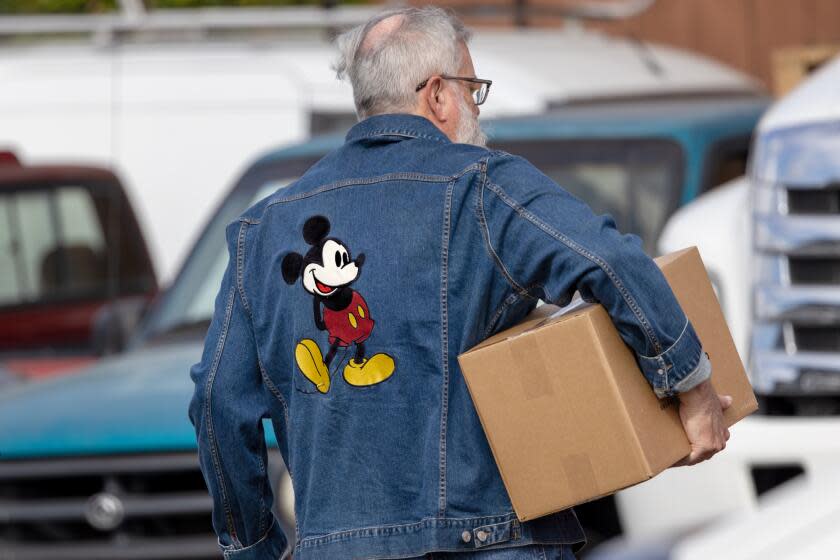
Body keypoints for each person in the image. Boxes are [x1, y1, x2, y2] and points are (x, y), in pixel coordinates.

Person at [187, 6, 732, 559]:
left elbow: (215, 401)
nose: (476, 107)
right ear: (438, 94)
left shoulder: (262, 229)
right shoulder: (483, 185)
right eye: (474, 89)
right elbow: (611, 261)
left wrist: (253, 545)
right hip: (492, 543)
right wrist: (692, 386)